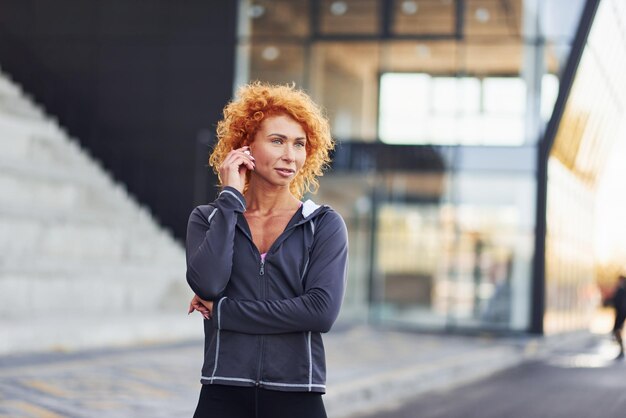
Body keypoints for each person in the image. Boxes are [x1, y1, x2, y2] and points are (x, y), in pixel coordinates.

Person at [185, 81, 348, 418]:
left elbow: (320, 312)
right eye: (277, 141)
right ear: (246, 147)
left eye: (299, 144)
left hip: (297, 394)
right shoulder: (209, 218)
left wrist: (225, 313)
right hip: (222, 391)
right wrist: (230, 197)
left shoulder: (323, 225)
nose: (291, 155)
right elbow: (208, 284)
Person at [610, 275, 626, 359]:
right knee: (617, 331)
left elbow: (619, 302)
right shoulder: (621, 289)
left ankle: (621, 350)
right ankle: (621, 350)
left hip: (621, 314)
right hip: (620, 313)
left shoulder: (622, 290)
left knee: (617, 330)